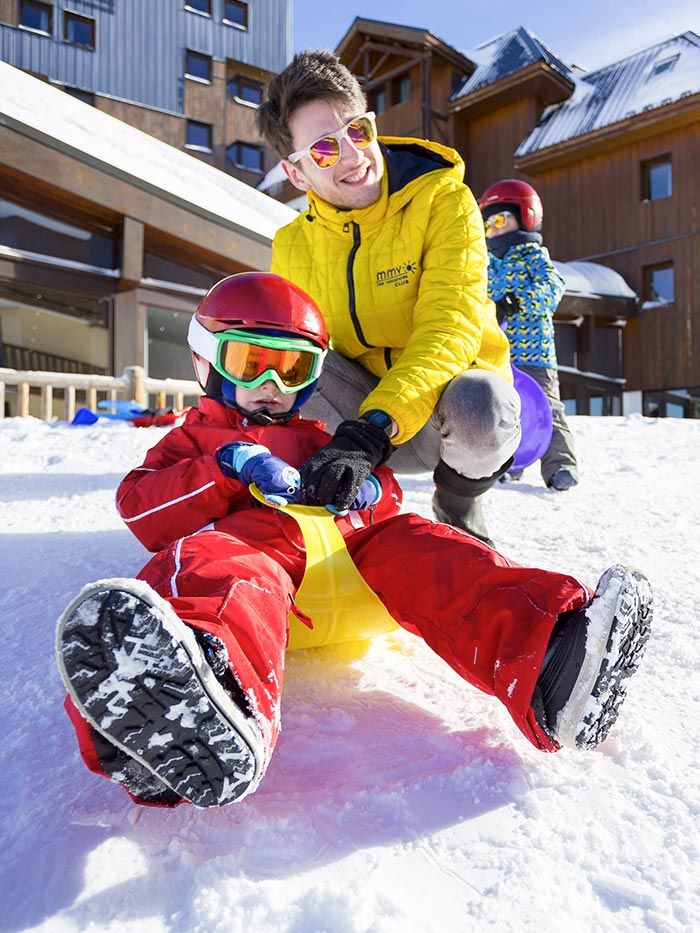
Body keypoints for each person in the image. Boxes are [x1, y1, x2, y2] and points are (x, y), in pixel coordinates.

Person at [54, 273, 653, 810]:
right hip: (268, 579)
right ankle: (197, 696)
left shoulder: (317, 433)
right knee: (216, 564)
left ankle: (548, 657)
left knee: (429, 547)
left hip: (357, 566)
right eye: (250, 364)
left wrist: (369, 491)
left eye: (291, 371)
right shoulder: (195, 440)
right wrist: (226, 467)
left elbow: (386, 493)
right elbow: (143, 510)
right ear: (206, 361)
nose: (270, 385)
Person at [255, 50, 521, 547]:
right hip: (357, 418)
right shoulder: (291, 244)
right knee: (279, 355)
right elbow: (284, 358)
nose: (355, 158)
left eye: (358, 131)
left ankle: (458, 508)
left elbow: (449, 324)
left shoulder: (444, 201)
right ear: (296, 174)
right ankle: (315, 512)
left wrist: (375, 427)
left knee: (481, 403)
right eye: (325, 150)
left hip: (441, 420)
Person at [479, 179, 579, 491]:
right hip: (501, 356)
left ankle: (560, 466)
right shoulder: (486, 265)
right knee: (504, 413)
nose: (492, 229)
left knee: (547, 409)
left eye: (499, 220)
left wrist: (519, 300)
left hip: (535, 354)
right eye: (486, 224)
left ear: (525, 217)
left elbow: (553, 287)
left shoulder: (533, 256)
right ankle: (507, 465)